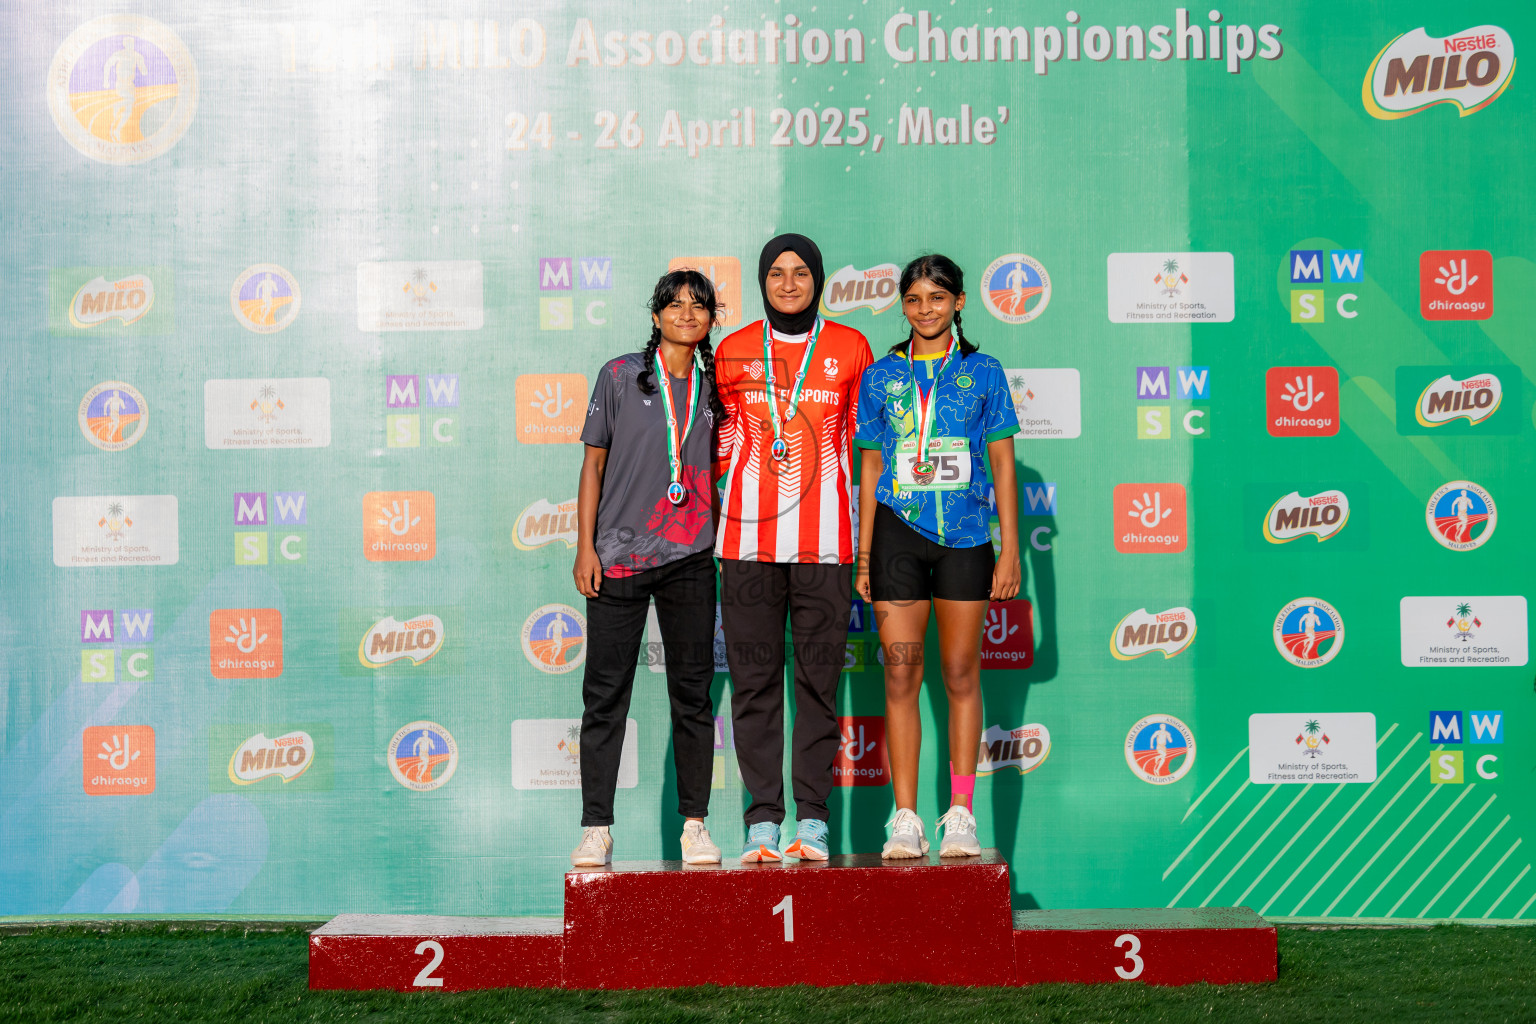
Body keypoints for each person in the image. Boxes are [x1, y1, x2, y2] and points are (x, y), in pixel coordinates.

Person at [854, 254, 1021, 859]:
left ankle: (959, 814)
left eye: (938, 298)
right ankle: (904, 817)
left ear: (959, 303)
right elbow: (871, 464)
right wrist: (865, 554)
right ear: (903, 306)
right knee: (900, 673)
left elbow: (1002, 463)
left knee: (959, 674)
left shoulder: (985, 372)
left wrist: (1008, 549)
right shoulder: (881, 376)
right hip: (898, 533)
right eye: (915, 299)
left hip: (969, 536)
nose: (926, 309)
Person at [715, 234, 873, 862]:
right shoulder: (730, 353)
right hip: (748, 545)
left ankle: (811, 821)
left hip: (826, 546)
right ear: (762, 281)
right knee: (753, 687)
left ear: (819, 279)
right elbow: (718, 446)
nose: (787, 283)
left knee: (816, 687)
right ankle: (761, 821)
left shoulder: (849, 347)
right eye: (776, 273)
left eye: (800, 272)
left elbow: (867, 451)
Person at [570, 269, 725, 868]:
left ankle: (695, 825)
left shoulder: (719, 388)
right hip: (618, 556)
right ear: (655, 314)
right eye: (675, 305)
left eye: (699, 305)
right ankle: (595, 827)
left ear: (712, 318)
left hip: (690, 556)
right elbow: (593, 467)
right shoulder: (618, 376)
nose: (687, 314)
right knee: (605, 694)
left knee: (692, 694)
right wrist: (585, 546)